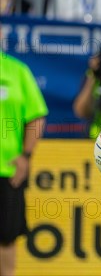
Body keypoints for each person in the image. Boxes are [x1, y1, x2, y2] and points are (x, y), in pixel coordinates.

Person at [0, 28, 48, 276]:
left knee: (6, 238)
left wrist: (25, 157)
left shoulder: (16, 71)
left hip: (7, 170)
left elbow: (36, 117)